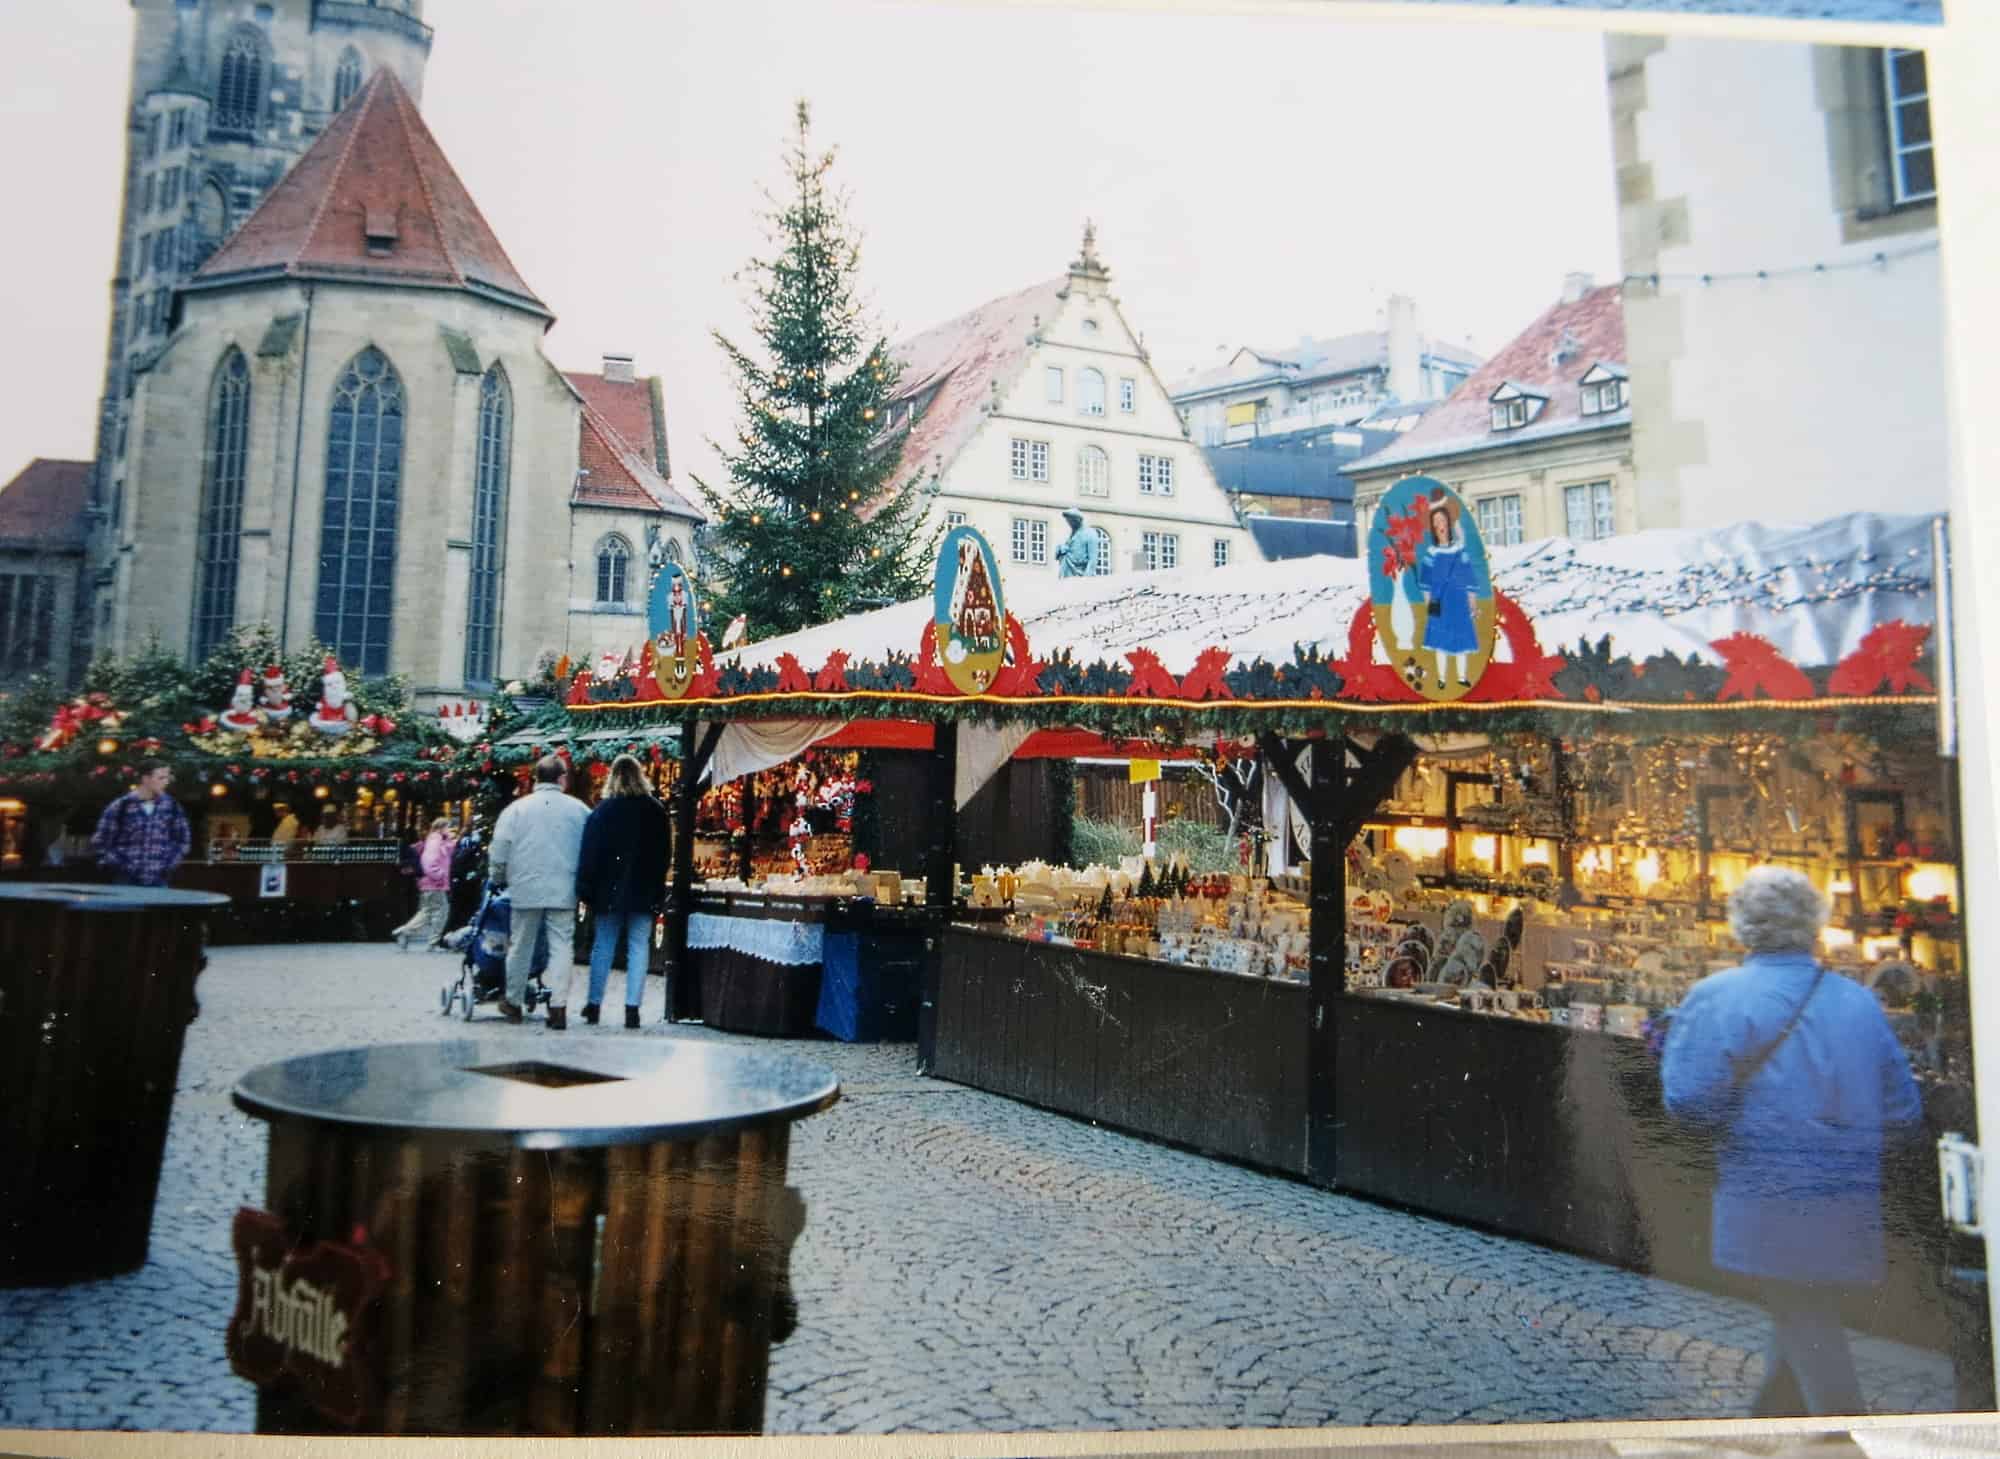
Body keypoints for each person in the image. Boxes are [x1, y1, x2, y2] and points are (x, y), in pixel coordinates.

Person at [1661, 866, 1922, 1418]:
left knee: (1802, 1311)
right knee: (1804, 1307)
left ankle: (1845, 1436)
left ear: (1742, 927)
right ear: (1815, 925)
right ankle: (1769, 1430)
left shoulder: (1717, 997)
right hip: (1847, 1192)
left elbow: (1687, 1103)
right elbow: (1902, 1110)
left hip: (1768, 1187)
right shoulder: (1857, 1002)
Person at [487, 754, 589, 1027]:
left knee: (521, 944)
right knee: (561, 946)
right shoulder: (578, 810)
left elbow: (500, 849)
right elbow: (590, 849)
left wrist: (497, 878)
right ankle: (558, 1007)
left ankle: (514, 1001)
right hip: (564, 886)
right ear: (562, 778)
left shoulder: (516, 809)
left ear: (535, 779)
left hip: (524, 885)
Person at [576, 754, 670, 1028]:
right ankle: (633, 1009)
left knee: (603, 945)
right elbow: (663, 855)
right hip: (643, 889)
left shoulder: (603, 812)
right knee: (639, 947)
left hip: (608, 891)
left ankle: (594, 1005)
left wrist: (586, 888)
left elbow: (590, 854)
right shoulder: (655, 811)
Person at [90, 760, 191, 887]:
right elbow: (100, 842)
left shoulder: (172, 807)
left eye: (167, 777)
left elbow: (183, 840)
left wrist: (168, 864)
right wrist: (120, 865)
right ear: (146, 779)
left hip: (159, 880)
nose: (166, 782)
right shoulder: (121, 807)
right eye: (161, 778)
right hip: (125, 880)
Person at [1417, 497, 1481, 690]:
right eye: (1436, 522)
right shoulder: (1430, 553)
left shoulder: (1460, 549)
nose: (1440, 525)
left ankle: (1462, 677)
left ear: (1448, 524)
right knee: (1440, 641)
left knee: (1461, 640)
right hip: (1439, 602)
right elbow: (1426, 583)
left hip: (1458, 601)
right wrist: (1430, 605)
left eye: (1442, 521)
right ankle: (1442, 679)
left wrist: (1473, 604)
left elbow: (1469, 577)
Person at [391, 817, 457, 951]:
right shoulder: (435, 840)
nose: (449, 830)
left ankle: (404, 932)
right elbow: (430, 861)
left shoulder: (436, 840)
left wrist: (449, 839)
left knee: (426, 912)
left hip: (429, 883)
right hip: (435, 882)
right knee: (442, 911)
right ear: (441, 828)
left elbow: (449, 850)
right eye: (447, 827)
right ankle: (433, 942)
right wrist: (440, 875)